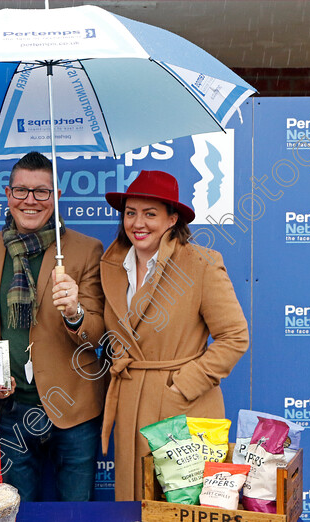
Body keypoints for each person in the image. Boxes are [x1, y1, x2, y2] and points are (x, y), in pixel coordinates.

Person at [0, 151, 105, 501]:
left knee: (77, 513)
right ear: (8, 195)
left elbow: (100, 333)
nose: (30, 200)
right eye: (21, 191)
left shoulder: (86, 250)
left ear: (55, 197)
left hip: (73, 406)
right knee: (16, 510)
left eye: (41, 192)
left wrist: (74, 311)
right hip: (9, 410)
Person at [99, 169, 249, 501]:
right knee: (132, 502)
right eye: (130, 212)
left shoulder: (200, 264)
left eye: (150, 214)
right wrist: (73, 313)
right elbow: (100, 331)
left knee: (180, 505)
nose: (138, 223)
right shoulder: (109, 265)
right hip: (129, 402)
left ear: (172, 219)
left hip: (181, 407)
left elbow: (234, 336)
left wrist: (183, 386)